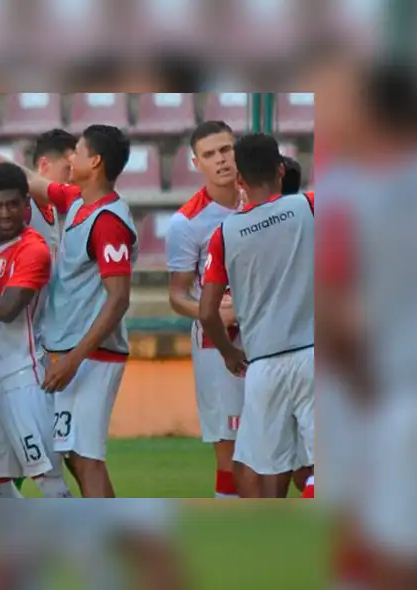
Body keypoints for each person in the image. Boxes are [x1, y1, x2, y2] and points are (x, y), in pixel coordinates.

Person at [0, 124, 137, 498]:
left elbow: (119, 298)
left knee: (82, 458)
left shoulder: (108, 220)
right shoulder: (77, 202)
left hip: (88, 354)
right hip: (61, 353)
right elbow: (21, 178)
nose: (70, 157)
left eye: (76, 151)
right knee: (68, 460)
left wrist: (74, 359)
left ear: (93, 161)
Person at [200, 133, 315, 499]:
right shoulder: (310, 206)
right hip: (315, 353)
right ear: (281, 170)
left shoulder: (224, 233)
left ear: (239, 181)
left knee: (266, 469)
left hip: (263, 363)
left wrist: (228, 353)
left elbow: (206, 312)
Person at [0, 163, 71, 498]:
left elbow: (8, 308)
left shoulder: (32, 249)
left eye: (12, 204)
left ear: (26, 203)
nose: (4, 213)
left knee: (48, 481)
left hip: (23, 377)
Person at [164, 120, 248, 498]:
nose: (221, 160)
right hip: (220, 341)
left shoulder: (265, 200)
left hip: (273, 334)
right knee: (230, 449)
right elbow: (177, 296)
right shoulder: (186, 222)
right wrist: (211, 313)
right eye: (210, 154)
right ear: (196, 163)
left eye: (226, 150)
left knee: (292, 448)